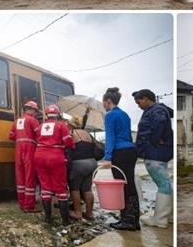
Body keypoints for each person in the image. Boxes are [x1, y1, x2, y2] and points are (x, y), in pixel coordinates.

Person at [133, 89, 174, 227]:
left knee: (163, 184)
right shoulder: (160, 109)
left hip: (154, 154)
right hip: (160, 153)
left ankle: (160, 218)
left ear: (145, 99)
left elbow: (160, 123)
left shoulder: (155, 110)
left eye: (138, 102)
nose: (138, 106)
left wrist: (153, 141)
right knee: (166, 184)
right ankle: (168, 215)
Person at [101, 87, 141, 230]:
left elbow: (110, 137)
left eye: (103, 102)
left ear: (109, 101)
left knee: (122, 186)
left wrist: (107, 157)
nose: (103, 106)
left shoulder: (110, 116)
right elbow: (129, 136)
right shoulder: (125, 115)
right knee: (130, 184)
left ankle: (127, 220)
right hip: (130, 150)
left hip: (120, 152)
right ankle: (135, 219)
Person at [33, 104, 74, 225]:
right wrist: (71, 145)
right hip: (56, 157)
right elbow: (68, 142)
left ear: (47, 114)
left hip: (39, 156)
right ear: (58, 114)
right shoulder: (62, 125)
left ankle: (48, 218)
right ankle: (65, 221)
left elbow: (36, 139)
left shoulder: (39, 127)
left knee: (45, 187)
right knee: (60, 188)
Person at [9, 101, 41, 213]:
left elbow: (11, 136)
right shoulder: (33, 120)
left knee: (20, 177)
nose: (36, 113)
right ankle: (29, 206)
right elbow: (40, 136)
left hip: (18, 149)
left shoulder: (17, 121)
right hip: (29, 149)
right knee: (29, 176)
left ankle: (22, 203)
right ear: (31, 110)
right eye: (36, 111)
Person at [66, 117, 97, 222]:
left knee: (74, 188)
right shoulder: (87, 133)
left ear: (71, 125)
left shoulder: (71, 133)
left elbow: (68, 149)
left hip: (79, 163)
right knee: (87, 189)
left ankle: (78, 213)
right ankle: (89, 213)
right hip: (92, 162)